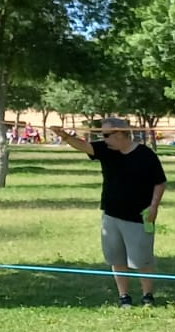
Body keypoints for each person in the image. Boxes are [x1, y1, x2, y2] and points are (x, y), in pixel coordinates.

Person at [51, 118, 168, 308]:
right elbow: (83, 146)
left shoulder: (145, 155)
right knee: (116, 258)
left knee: (142, 260)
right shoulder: (106, 149)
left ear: (120, 133)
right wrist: (64, 135)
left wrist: (154, 206)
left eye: (106, 135)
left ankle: (147, 296)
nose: (103, 139)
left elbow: (160, 183)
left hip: (139, 217)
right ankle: (124, 296)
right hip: (111, 215)